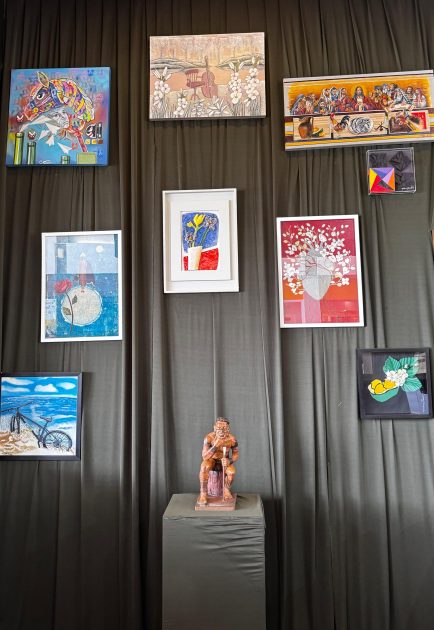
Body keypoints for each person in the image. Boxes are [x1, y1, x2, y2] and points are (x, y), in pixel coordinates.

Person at [198, 417, 239, 506]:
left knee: (231, 472)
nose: (221, 431)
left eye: (224, 428)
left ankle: (226, 489)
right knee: (204, 467)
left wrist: (229, 461)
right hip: (211, 460)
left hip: (224, 461)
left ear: (228, 429)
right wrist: (215, 445)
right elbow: (204, 456)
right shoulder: (209, 438)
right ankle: (203, 493)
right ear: (214, 428)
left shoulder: (232, 439)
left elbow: (236, 454)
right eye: (219, 428)